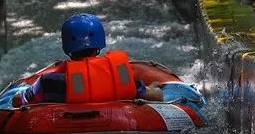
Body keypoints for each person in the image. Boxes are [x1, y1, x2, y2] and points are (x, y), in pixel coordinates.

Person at [11, 13, 166, 107]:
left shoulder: (49, 82)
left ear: (67, 48)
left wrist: (21, 92)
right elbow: (157, 96)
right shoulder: (120, 74)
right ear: (99, 45)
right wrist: (152, 86)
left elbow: (18, 100)